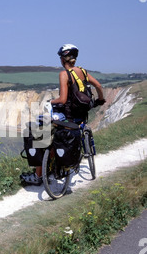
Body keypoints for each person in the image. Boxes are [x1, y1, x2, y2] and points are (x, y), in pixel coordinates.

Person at [21, 44, 106, 186]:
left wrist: (50, 101)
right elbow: (98, 85)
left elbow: (63, 100)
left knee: (41, 129)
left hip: (68, 117)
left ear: (62, 59)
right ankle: (52, 163)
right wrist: (101, 99)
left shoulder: (64, 74)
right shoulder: (83, 72)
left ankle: (38, 175)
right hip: (80, 116)